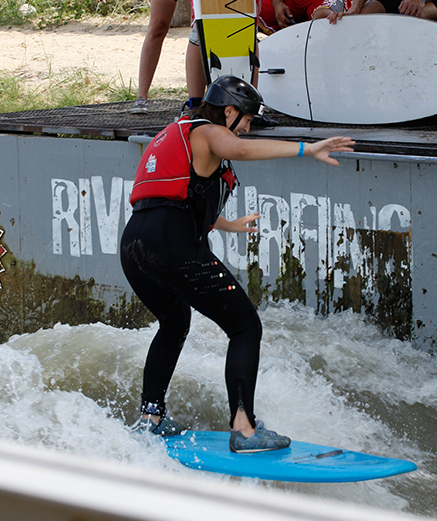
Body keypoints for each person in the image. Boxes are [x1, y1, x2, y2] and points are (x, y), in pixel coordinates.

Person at [120, 75, 354, 452]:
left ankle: (151, 418)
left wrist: (226, 224)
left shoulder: (175, 133)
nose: (245, 128)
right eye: (245, 119)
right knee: (245, 326)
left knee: (175, 322)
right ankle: (244, 430)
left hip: (134, 243)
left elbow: (173, 198)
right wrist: (306, 150)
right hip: (169, 244)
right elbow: (239, 151)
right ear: (228, 111)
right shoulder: (209, 131)